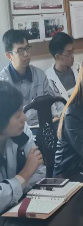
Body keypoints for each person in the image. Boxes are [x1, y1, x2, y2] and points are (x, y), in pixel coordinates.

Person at [0, 82, 46, 213]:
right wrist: (25, 174)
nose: (25, 118)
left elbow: (39, 172)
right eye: (18, 116)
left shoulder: (21, 130)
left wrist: (11, 190)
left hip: (20, 209)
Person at [0, 30, 55, 128]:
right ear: (9, 56)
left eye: (27, 48)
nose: (26, 54)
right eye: (20, 51)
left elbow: (51, 104)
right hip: (18, 131)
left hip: (43, 126)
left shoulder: (40, 75)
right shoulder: (3, 82)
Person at [46, 32, 79, 117]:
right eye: (69, 53)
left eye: (73, 51)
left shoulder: (78, 69)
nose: (72, 56)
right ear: (58, 57)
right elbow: (53, 113)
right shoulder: (48, 79)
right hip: (64, 120)